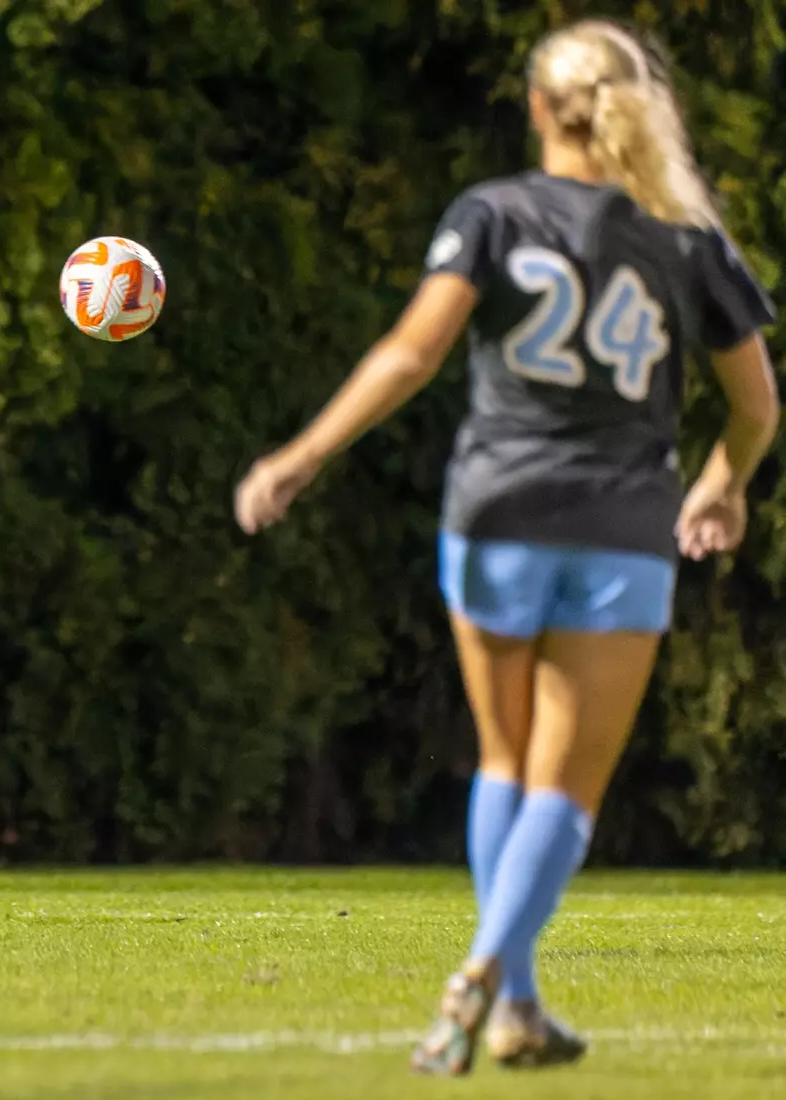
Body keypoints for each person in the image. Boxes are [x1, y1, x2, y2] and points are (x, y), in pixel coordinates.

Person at [232, 18, 778, 1076]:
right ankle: (488, 971)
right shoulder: (690, 239)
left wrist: (298, 457)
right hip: (621, 532)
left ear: (535, 106)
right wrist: (722, 485)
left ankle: (514, 998)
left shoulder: (492, 212)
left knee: (502, 757)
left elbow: (411, 352)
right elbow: (755, 405)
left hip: (493, 515)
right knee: (565, 783)